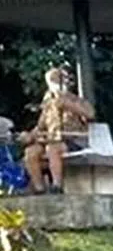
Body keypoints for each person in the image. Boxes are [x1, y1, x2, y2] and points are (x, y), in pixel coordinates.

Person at [19, 66, 94, 195]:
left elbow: (90, 114)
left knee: (52, 148)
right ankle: (39, 189)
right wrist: (29, 135)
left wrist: (67, 104)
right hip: (51, 140)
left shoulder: (75, 100)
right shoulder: (48, 105)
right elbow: (40, 127)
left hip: (74, 141)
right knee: (31, 152)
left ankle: (57, 187)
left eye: (56, 81)